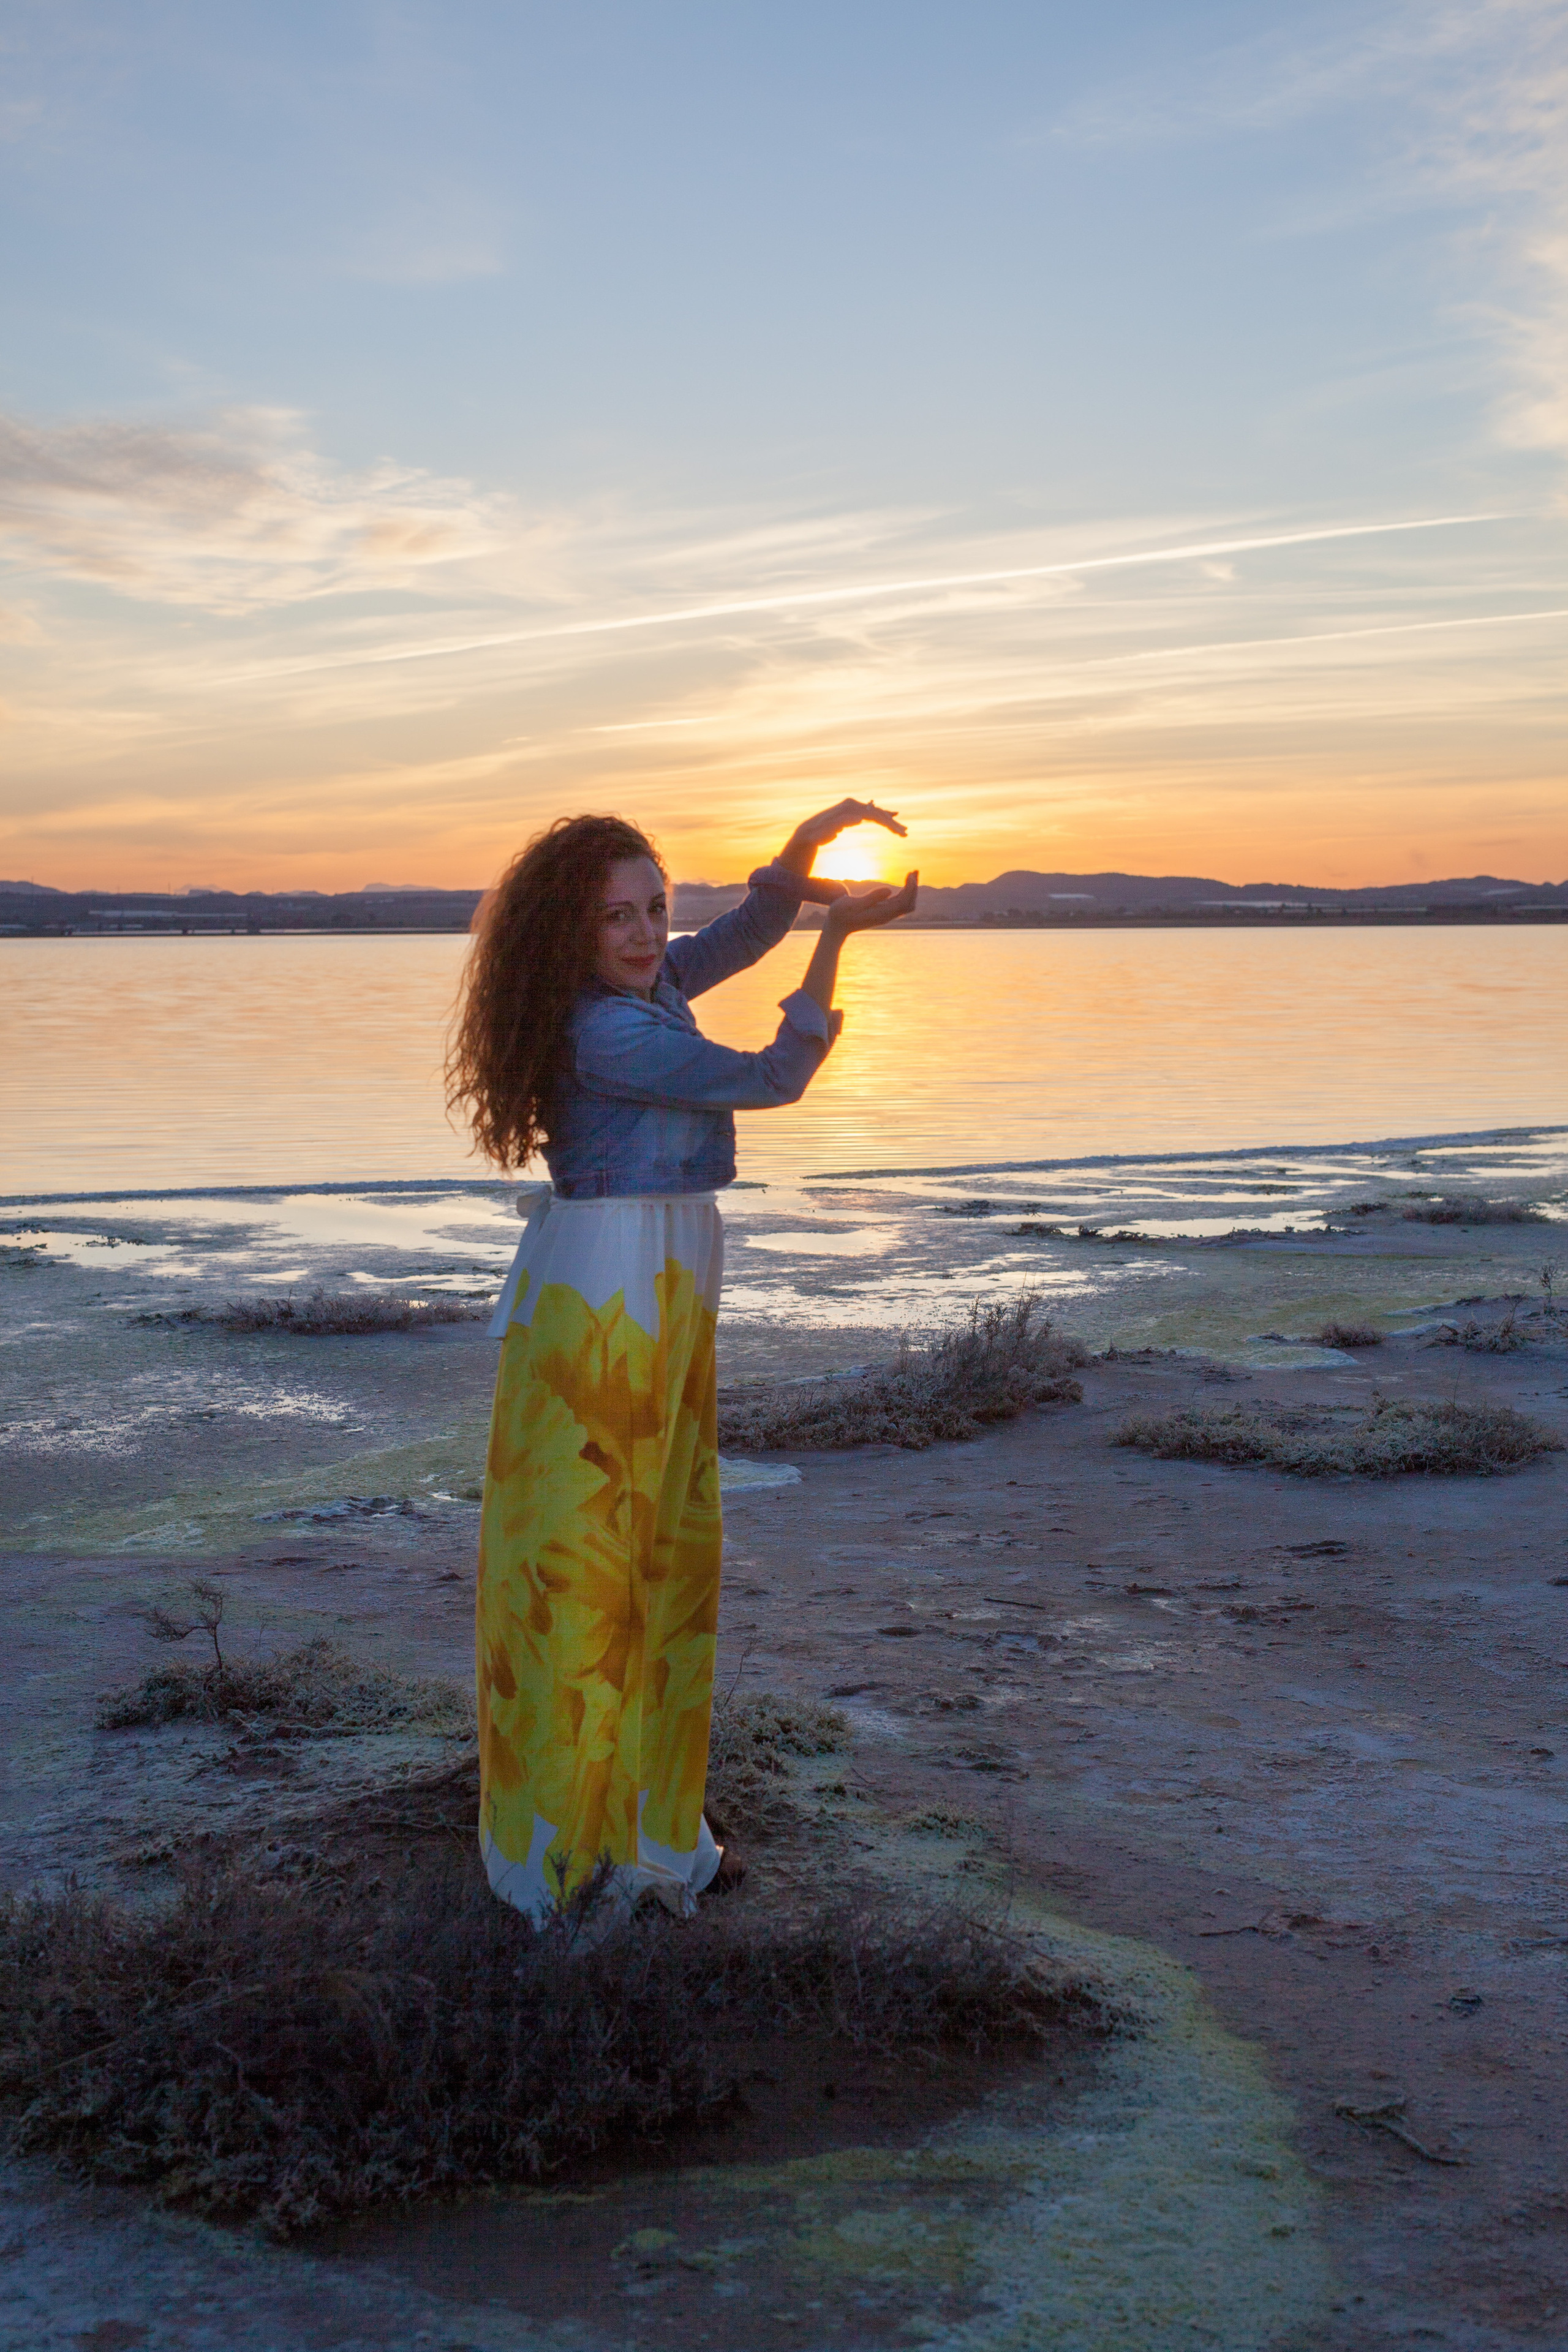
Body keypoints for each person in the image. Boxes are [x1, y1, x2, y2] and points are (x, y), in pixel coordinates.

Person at [446, 801, 917, 1923]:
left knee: (660, 1544)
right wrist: (840, 937)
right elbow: (769, 1078)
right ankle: (568, 1844)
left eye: (655, 906)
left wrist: (795, 871)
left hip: (662, 1260)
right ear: (569, 930)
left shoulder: (644, 988)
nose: (648, 932)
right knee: (593, 1558)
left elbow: (731, 944)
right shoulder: (599, 1030)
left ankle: (654, 1820)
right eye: (616, 915)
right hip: (608, 1273)